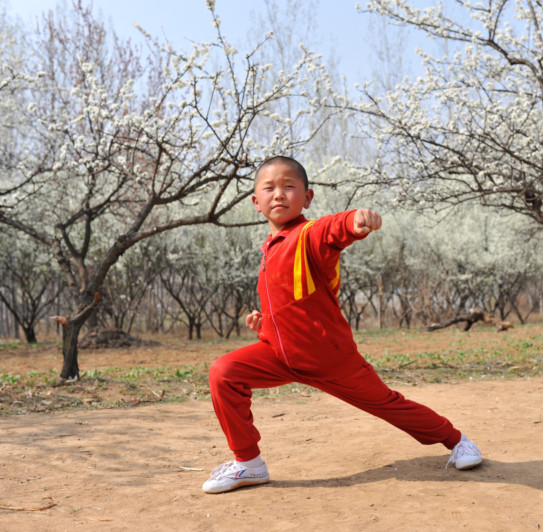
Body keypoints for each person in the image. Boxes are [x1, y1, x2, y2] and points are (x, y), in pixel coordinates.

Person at [203, 155, 482, 493]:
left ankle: (458, 441)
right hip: (278, 355)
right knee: (224, 372)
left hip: (330, 360)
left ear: (307, 198)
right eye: (269, 188)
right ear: (256, 202)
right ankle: (248, 464)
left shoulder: (308, 235)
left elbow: (332, 231)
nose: (279, 194)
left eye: (289, 187)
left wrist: (354, 220)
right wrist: (264, 323)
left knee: (389, 405)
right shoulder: (269, 249)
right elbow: (294, 302)